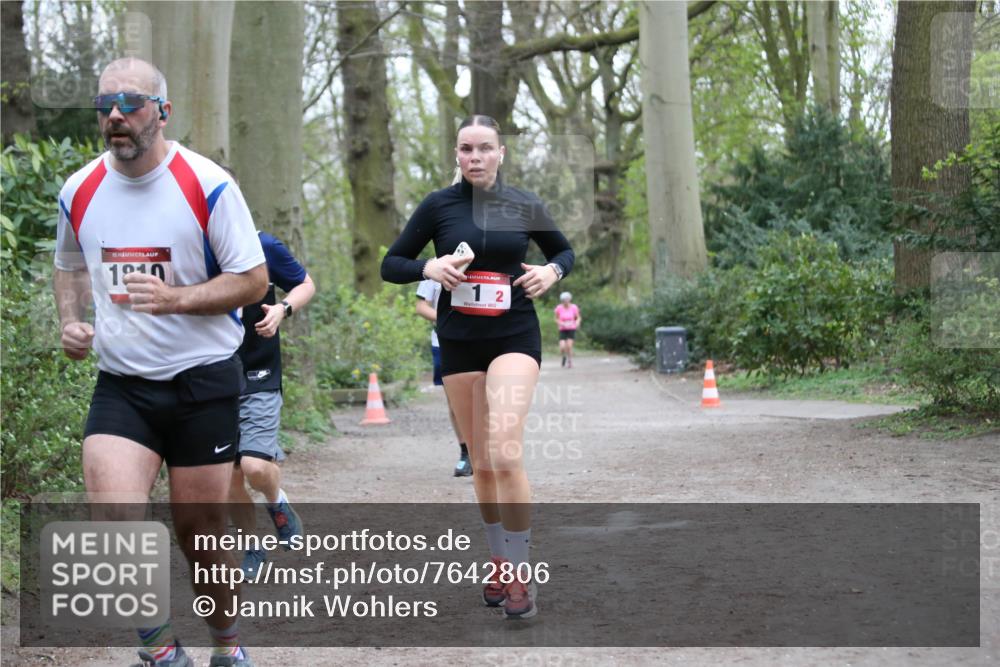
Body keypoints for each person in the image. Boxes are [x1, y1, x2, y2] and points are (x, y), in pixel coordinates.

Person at [54, 58, 266, 667]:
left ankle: (227, 645)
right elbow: (69, 264)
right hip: (123, 385)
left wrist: (178, 299)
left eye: (130, 102)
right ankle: (162, 651)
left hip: (203, 382)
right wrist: (70, 321)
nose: (115, 115)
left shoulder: (207, 183)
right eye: (105, 105)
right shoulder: (79, 189)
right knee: (114, 519)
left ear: (162, 111)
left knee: (200, 539)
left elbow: (253, 281)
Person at [381, 114, 574, 619]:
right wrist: (428, 266)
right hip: (460, 342)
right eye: (466, 149)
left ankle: (521, 573)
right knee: (482, 462)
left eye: (485, 148)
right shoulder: (438, 207)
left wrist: (551, 272)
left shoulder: (522, 203)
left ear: (500, 154)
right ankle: (498, 560)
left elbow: (564, 251)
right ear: (457, 154)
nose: (475, 158)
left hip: (514, 335)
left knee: (505, 452)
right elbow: (391, 263)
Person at [228, 226, 316, 577]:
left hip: (258, 371)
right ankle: (252, 545)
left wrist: (282, 309)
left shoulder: (262, 244)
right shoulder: (192, 247)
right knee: (227, 475)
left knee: (254, 467)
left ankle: (277, 501)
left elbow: (306, 284)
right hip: (211, 373)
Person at [415, 278, 472, 477]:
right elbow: (421, 306)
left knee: (486, 396)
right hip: (444, 341)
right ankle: (466, 454)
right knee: (455, 402)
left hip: (480, 338)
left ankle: (488, 450)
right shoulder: (434, 268)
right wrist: (447, 320)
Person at [554, 291, 581, 368]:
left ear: (569, 299)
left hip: (571, 328)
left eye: (567, 299)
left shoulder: (574, 307)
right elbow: (556, 318)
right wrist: (561, 323)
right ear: (562, 300)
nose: (565, 301)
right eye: (564, 300)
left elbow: (578, 317)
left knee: (569, 346)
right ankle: (564, 356)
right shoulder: (559, 308)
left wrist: (577, 322)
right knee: (562, 347)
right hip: (562, 328)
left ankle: (569, 360)